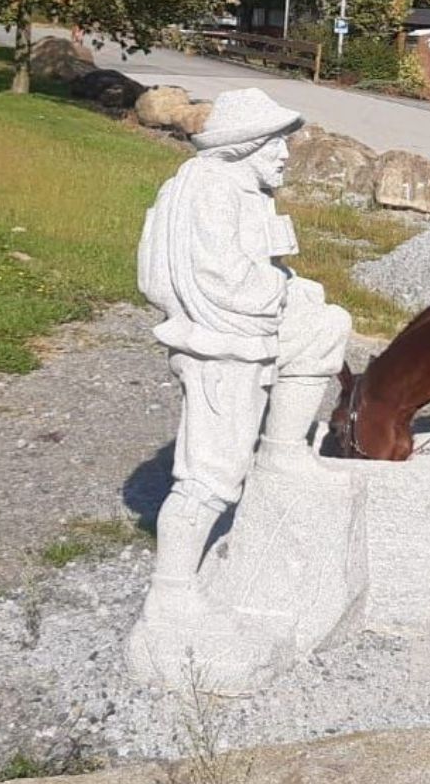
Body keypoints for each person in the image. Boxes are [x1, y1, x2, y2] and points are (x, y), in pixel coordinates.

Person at [134, 87, 352, 627]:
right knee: (211, 474)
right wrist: (278, 293)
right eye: (275, 144)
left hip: (251, 327)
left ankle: (280, 449)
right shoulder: (208, 188)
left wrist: (292, 289)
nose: (284, 154)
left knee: (326, 325)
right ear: (246, 145)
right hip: (222, 343)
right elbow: (219, 280)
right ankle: (171, 591)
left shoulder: (246, 190)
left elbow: (259, 268)